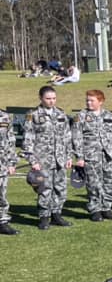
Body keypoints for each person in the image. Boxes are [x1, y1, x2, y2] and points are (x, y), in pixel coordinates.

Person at [22, 86, 73, 229]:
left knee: (60, 188)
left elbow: (67, 137)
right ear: (40, 98)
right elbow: (28, 140)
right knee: (44, 189)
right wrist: (32, 160)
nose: (51, 101)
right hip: (42, 159)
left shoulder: (61, 114)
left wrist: (69, 156)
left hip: (60, 159)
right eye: (48, 98)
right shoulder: (33, 115)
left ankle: (56, 214)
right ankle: (44, 217)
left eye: (54, 98)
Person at [72, 89, 112, 221]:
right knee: (94, 184)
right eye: (87, 100)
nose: (88, 103)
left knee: (110, 183)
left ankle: (106, 208)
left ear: (101, 101)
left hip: (108, 155)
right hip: (91, 156)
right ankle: (95, 209)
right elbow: (76, 138)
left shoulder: (109, 116)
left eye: (92, 100)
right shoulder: (81, 116)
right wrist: (80, 157)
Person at [0, 109, 20, 235]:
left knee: (1, 195)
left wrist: (12, 162)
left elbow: (11, 140)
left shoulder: (4, 117)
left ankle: (2, 222)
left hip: (2, 163)